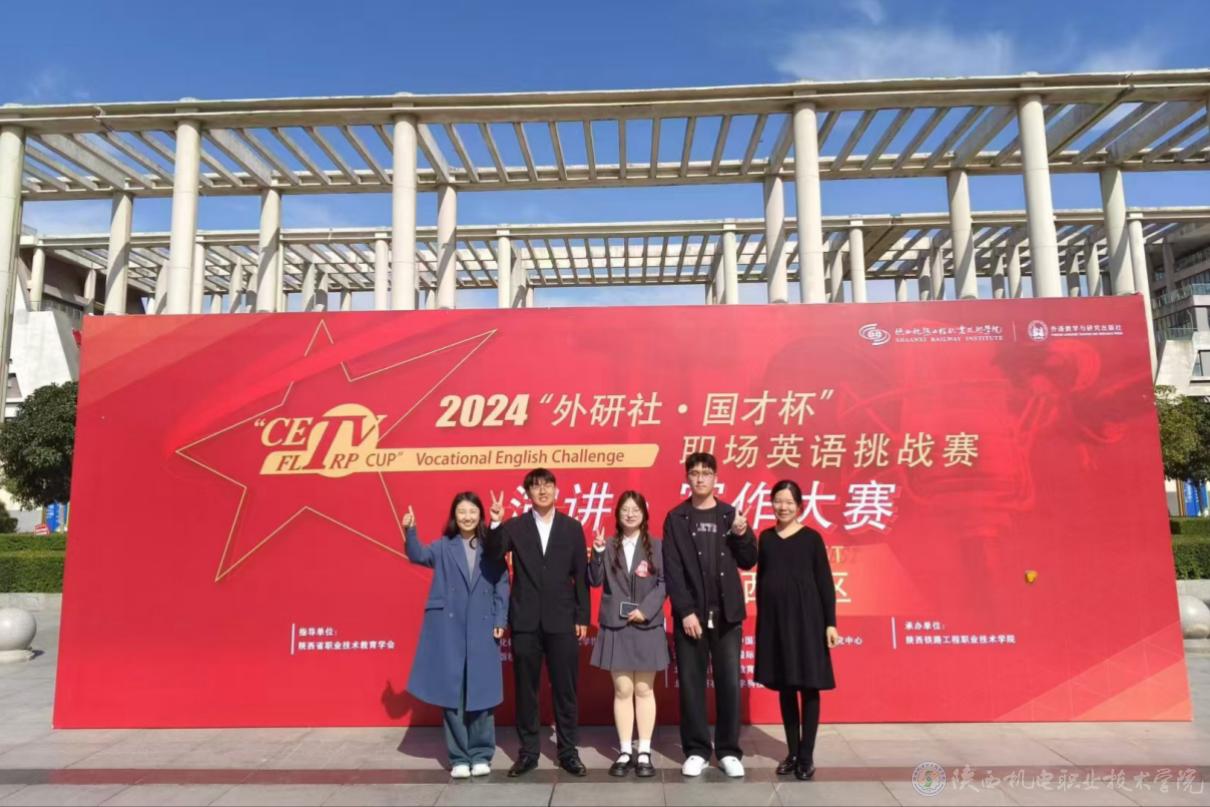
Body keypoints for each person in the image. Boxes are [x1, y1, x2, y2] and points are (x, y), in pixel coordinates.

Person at [485, 469, 590, 777]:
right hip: (526, 620)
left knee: (565, 690)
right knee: (526, 690)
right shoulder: (515, 526)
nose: (542, 491)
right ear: (528, 493)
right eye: (535, 486)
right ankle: (528, 752)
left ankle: (568, 752)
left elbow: (581, 575)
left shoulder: (572, 527)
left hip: (562, 619)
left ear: (556, 490)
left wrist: (582, 615)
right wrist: (495, 523)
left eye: (547, 485)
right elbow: (493, 555)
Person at [662, 452, 758, 778]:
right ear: (687, 478)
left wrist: (743, 533)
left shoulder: (730, 514)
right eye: (694, 473)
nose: (700, 478)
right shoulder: (676, 518)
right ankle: (697, 750)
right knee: (691, 685)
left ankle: (728, 751)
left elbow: (749, 560)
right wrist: (686, 611)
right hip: (692, 617)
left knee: (729, 683)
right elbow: (673, 569)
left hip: (727, 615)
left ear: (716, 477)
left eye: (706, 473)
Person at [401, 493, 509, 779]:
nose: (467, 517)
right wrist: (410, 530)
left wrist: (500, 618)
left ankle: (481, 754)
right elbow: (417, 555)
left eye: (472, 511)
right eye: (462, 512)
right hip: (450, 628)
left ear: (480, 515)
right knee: (453, 694)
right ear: (454, 516)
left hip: (483, 626)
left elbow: (502, 583)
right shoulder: (443, 546)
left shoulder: (491, 546)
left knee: (481, 693)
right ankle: (459, 756)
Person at [754, 480, 839, 781]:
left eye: (789, 502)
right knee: (786, 686)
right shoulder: (765, 538)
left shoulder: (812, 538)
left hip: (808, 621)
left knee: (809, 686)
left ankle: (806, 756)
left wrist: (830, 622)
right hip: (777, 622)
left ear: (799, 506)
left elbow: (825, 582)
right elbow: (761, 582)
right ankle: (792, 752)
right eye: (778, 501)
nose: (783, 507)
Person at [587, 491, 669, 778]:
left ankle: (644, 750)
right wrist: (597, 553)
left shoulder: (657, 546)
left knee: (644, 689)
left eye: (636, 509)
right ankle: (624, 750)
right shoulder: (608, 545)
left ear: (644, 514)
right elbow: (594, 580)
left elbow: (664, 582)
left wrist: (646, 610)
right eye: (625, 510)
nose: (630, 514)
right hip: (616, 625)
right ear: (618, 514)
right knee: (622, 690)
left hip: (647, 624)